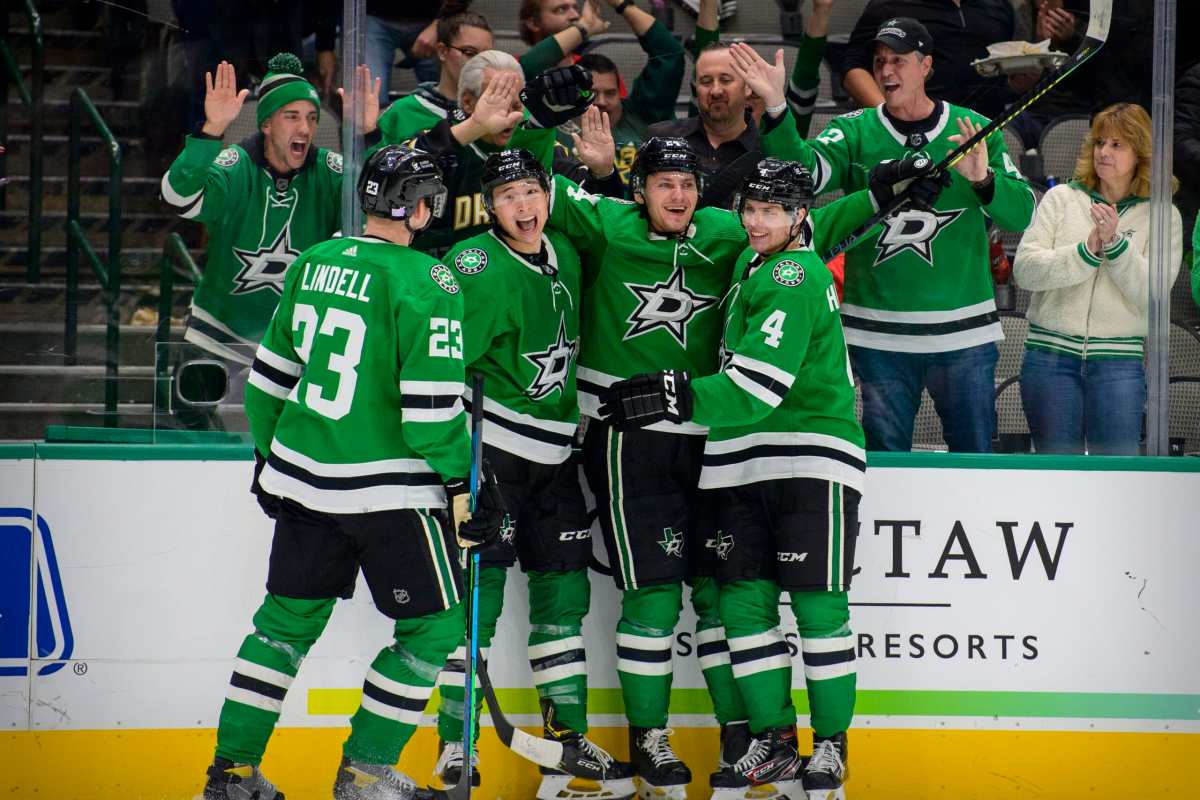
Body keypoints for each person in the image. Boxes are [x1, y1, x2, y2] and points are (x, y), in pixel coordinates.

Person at [200, 145, 504, 800]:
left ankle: (230, 774)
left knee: (281, 629)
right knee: (434, 629)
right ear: (421, 207)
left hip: (304, 484)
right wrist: (465, 483)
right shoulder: (430, 281)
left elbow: (265, 387)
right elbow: (428, 416)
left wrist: (269, 458)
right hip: (392, 494)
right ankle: (365, 773)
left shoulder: (314, 262)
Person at [598, 159, 876, 800]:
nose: (756, 221)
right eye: (749, 207)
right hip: (738, 463)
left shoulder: (790, 272)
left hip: (809, 456)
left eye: (772, 210)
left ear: (800, 215)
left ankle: (830, 746)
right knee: (743, 607)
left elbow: (760, 386)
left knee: (817, 608)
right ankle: (774, 743)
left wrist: (674, 396)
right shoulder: (752, 265)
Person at [545, 136, 753, 799]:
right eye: (664, 183)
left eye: (688, 183)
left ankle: (738, 737)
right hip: (627, 437)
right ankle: (651, 739)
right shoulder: (608, 225)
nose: (679, 195)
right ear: (639, 191)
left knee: (719, 593)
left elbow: (802, 216)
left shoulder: (724, 231)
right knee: (654, 594)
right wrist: (511, 119)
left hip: (710, 433)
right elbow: (527, 192)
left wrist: (779, 115)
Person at [432, 146, 635, 800]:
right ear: (489, 205)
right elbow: (435, 362)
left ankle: (566, 741)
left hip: (558, 459)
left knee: (562, 600)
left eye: (531, 193)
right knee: (478, 602)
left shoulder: (567, 256)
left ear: (548, 194)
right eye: (508, 196)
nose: (523, 208)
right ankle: (453, 744)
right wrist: (455, 469)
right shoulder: (472, 266)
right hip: (493, 457)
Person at [731, 18, 1036, 453]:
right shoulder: (855, 130)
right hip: (878, 336)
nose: (887, 71)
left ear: (926, 65)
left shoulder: (972, 129)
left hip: (963, 336)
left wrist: (984, 180)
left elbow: (1023, 212)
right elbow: (802, 176)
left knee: (974, 466)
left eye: (899, 60)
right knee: (882, 462)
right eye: (879, 61)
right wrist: (778, 106)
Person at [160, 54, 379, 423]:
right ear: (266, 123)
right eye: (291, 116)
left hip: (297, 334)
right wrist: (211, 131)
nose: (306, 129)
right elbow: (178, 197)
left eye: (311, 117)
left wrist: (368, 136)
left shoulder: (328, 170)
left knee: (301, 435)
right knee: (185, 423)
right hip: (220, 326)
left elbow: (379, 205)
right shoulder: (236, 164)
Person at [1013, 103, 1183, 455]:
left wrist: (1117, 246)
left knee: (1118, 477)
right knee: (1056, 474)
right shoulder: (1061, 199)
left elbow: (1153, 294)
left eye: (1117, 145)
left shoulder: (1164, 214)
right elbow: (1025, 271)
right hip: (1050, 357)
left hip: (1118, 362)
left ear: (1141, 153)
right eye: (1100, 143)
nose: (1104, 152)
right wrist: (1086, 252)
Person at [404, 52, 615, 254]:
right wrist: (476, 125)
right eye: (498, 102)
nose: (510, 116)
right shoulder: (437, 144)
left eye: (516, 105)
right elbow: (394, 180)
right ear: (467, 102)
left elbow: (598, 215)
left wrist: (603, 173)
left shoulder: (540, 143)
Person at [556, 0, 686, 186]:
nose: (602, 101)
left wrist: (622, 5)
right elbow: (526, 68)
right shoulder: (556, 130)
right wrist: (583, 28)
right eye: (592, 93)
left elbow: (669, 55)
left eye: (610, 93)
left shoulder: (643, 116)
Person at [840, 0, 1016, 120]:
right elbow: (853, 67)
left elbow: (1006, 76)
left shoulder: (999, 6)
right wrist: (888, 118)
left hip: (986, 129)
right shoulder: (890, 5)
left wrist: (1028, 78)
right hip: (914, 132)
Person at [647, 42, 760, 210]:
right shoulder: (661, 138)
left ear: (748, 87)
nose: (715, 91)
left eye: (725, 80)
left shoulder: (767, 150)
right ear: (696, 89)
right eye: (706, 82)